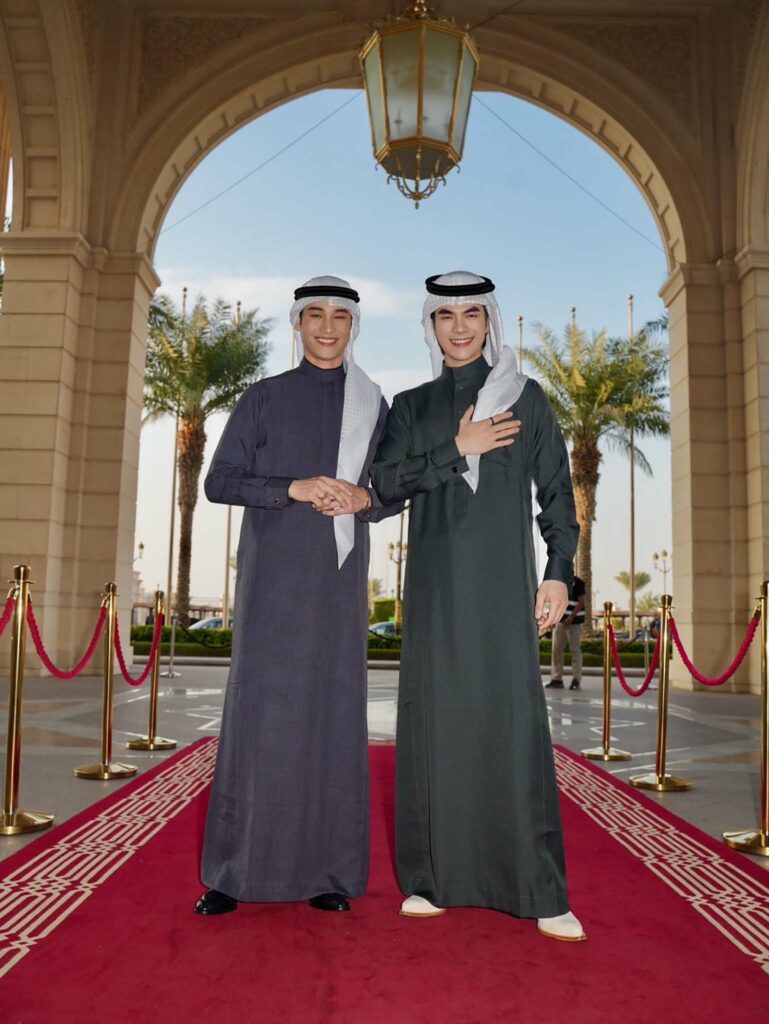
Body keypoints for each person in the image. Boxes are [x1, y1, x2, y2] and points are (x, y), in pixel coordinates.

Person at [370, 271, 585, 942]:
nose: (459, 326)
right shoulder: (411, 407)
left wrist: (557, 574)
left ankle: (537, 888)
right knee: (434, 726)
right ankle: (431, 881)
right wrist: (454, 449)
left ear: (489, 320)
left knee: (512, 725)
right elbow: (384, 484)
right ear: (430, 326)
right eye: (445, 315)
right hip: (435, 592)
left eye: (471, 313)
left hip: (503, 587)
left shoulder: (525, 397)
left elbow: (556, 491)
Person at [195, 276, 401, 917]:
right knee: (259, 717)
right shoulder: (263, 398)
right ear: (297, 323)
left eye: (340, 316)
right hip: (272, 583)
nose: (328, 327)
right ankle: (233, 873)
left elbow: (393, 490)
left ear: (354, 326)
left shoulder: (373, 405)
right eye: (316, 315)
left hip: (338, 586)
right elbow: (219, 481)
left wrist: (363, 497)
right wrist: (293, 487)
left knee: (332, 717)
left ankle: (328, 873)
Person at [546, 574, 586, 690]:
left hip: (573, 622)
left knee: (575, 650)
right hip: (560, 621)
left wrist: (571, 617)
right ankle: (557, 679)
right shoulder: (558, 583)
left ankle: (576, 680)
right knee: (556, 650)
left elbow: (582, 601)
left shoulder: (578, 582)